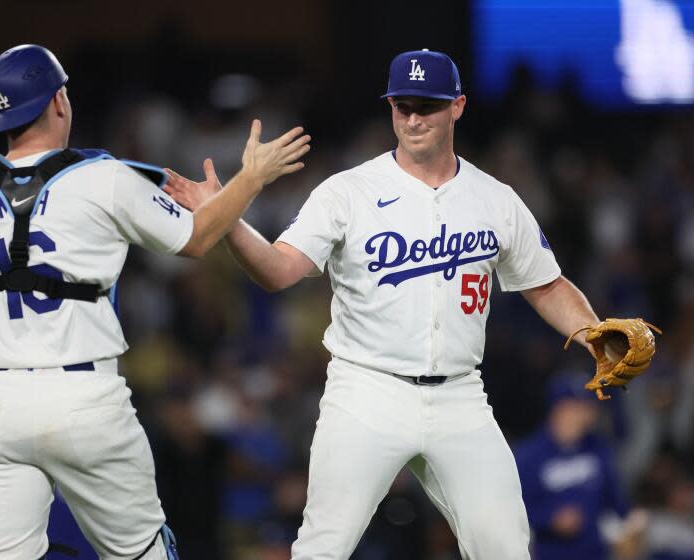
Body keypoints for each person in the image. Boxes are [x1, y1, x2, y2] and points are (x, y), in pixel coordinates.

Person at [163, 49, 619, 559]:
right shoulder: (348, 192)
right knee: (322, 550)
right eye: (402, 105)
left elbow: (547, 285)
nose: (413, 118)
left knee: (507, 548)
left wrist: (596, 335)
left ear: (459, 106)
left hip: (460, 398)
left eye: (427, 105)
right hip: (366, 392)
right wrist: (227, 215)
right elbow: (276, 269)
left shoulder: (496, 198)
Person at [0, 44, 310, 560]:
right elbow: (196, 239)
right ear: (59, 100)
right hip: (83, 397)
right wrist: (251, 180)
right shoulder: (101, 178)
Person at [514, 374, 641, 560]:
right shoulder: (529, 455)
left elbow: (614, 501)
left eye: (588, 406)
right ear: (559, 408)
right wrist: (550, 519)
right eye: (579, 406)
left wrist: (632, 519)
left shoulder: (598, 447)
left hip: (595, 552)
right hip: (548, 552)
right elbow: (515, 511)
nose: (587, 413)